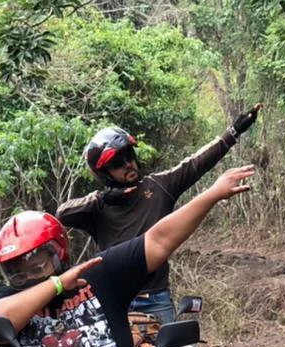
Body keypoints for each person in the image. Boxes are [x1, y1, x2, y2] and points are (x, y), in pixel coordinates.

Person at [0, 165, 256, 347]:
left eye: (37, 266)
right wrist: (55, 285)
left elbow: (158, 240)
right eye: (19, 273)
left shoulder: (98, 274)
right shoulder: (9, 300)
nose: (29, 277)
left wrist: (212, 194)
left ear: (58, 253)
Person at [56, 107, 262, 324]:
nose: (128, 164)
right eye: (117, 163)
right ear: (104, 174)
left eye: (129, 156)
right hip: (116, 298)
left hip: (156, 298)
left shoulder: (157, 186)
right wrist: (103, 198)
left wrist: (234, 131)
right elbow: (62, 213)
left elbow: (194, 164)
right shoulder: (98, 207)